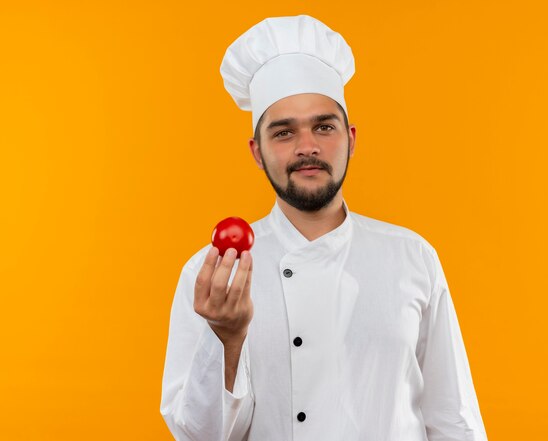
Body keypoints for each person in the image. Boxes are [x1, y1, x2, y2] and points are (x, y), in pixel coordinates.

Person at [160, 15, 488, 441]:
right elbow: (197, 436)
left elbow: (454, 419)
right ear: (257, 152)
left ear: (351, 138)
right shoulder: (215, 276)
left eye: (324, 127)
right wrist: (227, 339)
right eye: (284, 133)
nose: (308, 146)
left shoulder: (412, 257)